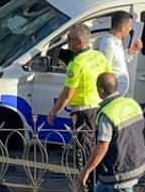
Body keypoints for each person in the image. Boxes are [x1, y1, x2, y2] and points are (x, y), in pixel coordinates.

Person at [47, 23, 111, 165]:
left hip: (84, 111)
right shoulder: (99, 56)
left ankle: (87, 181)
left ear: (80, 42)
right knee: (96, 145)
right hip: (99, 107)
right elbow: (109, 80)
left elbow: (67, 94)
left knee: (84, 150)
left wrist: (53, 112)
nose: (67, 41)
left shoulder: (76, 64)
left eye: (70, 39)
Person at [97, 11, 142, 95]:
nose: (130, 29)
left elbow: (117, 60)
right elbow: (104, 71)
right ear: (122, 28)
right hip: (113, 94)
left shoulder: (117, 41)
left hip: (120, 92)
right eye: (129, 26)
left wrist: (131, 51)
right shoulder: (108, 45)